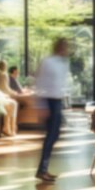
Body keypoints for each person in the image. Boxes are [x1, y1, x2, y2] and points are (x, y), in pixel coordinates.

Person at [34, 38, 70, 182]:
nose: (66, 49)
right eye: (64, 46)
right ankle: (42, 170)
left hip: (58, 101)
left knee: (54, 136)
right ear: (59, 47)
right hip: (49, 101)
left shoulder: (64, 62)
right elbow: (40, 82)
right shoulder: (47, 62)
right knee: (50, 137)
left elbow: (62, 83)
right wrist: (41, 106)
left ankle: (43, 170)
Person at [0, 60, 19, 136]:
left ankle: (8, 127)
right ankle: (10, 127)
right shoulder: (4, 75)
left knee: (12, 105)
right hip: (1, 97)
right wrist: (13, 92)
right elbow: (5, 88)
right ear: (5, 66)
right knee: (13, 104)